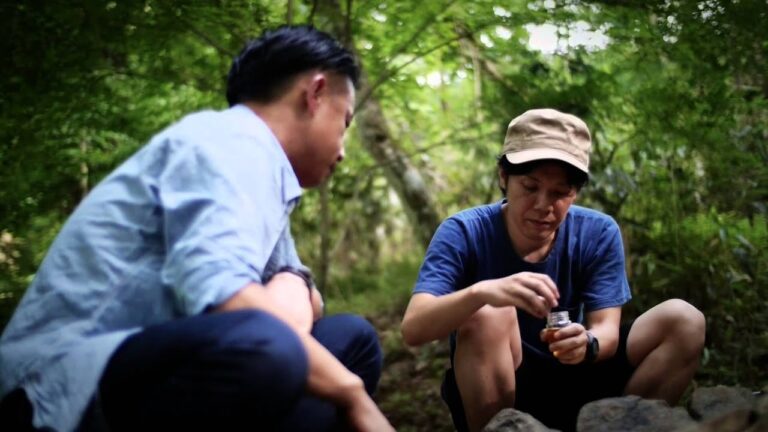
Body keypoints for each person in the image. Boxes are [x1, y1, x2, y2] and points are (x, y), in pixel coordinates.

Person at [0, 25, 394, 432]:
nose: (344, 151)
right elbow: (227, 296)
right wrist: (350, 392)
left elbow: (307, 304)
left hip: (159, 371)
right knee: (267, 347)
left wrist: (293, 281)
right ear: (314, 93)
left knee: (351, 339)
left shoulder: (268, 176)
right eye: (344, 121)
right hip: (51, 390)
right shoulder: (224, 142)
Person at [400, 108, 706, 432]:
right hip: (506, 387)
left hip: (579, 379)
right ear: (504, 177)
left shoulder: (598, 232)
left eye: (560, 193)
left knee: (684, 319)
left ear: (575, 193)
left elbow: (607, 330)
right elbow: (414, 329)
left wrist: (587, 342)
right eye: (530, 187)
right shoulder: (464, 231)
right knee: (488, 314)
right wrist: (483, 292)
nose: (544, 205)